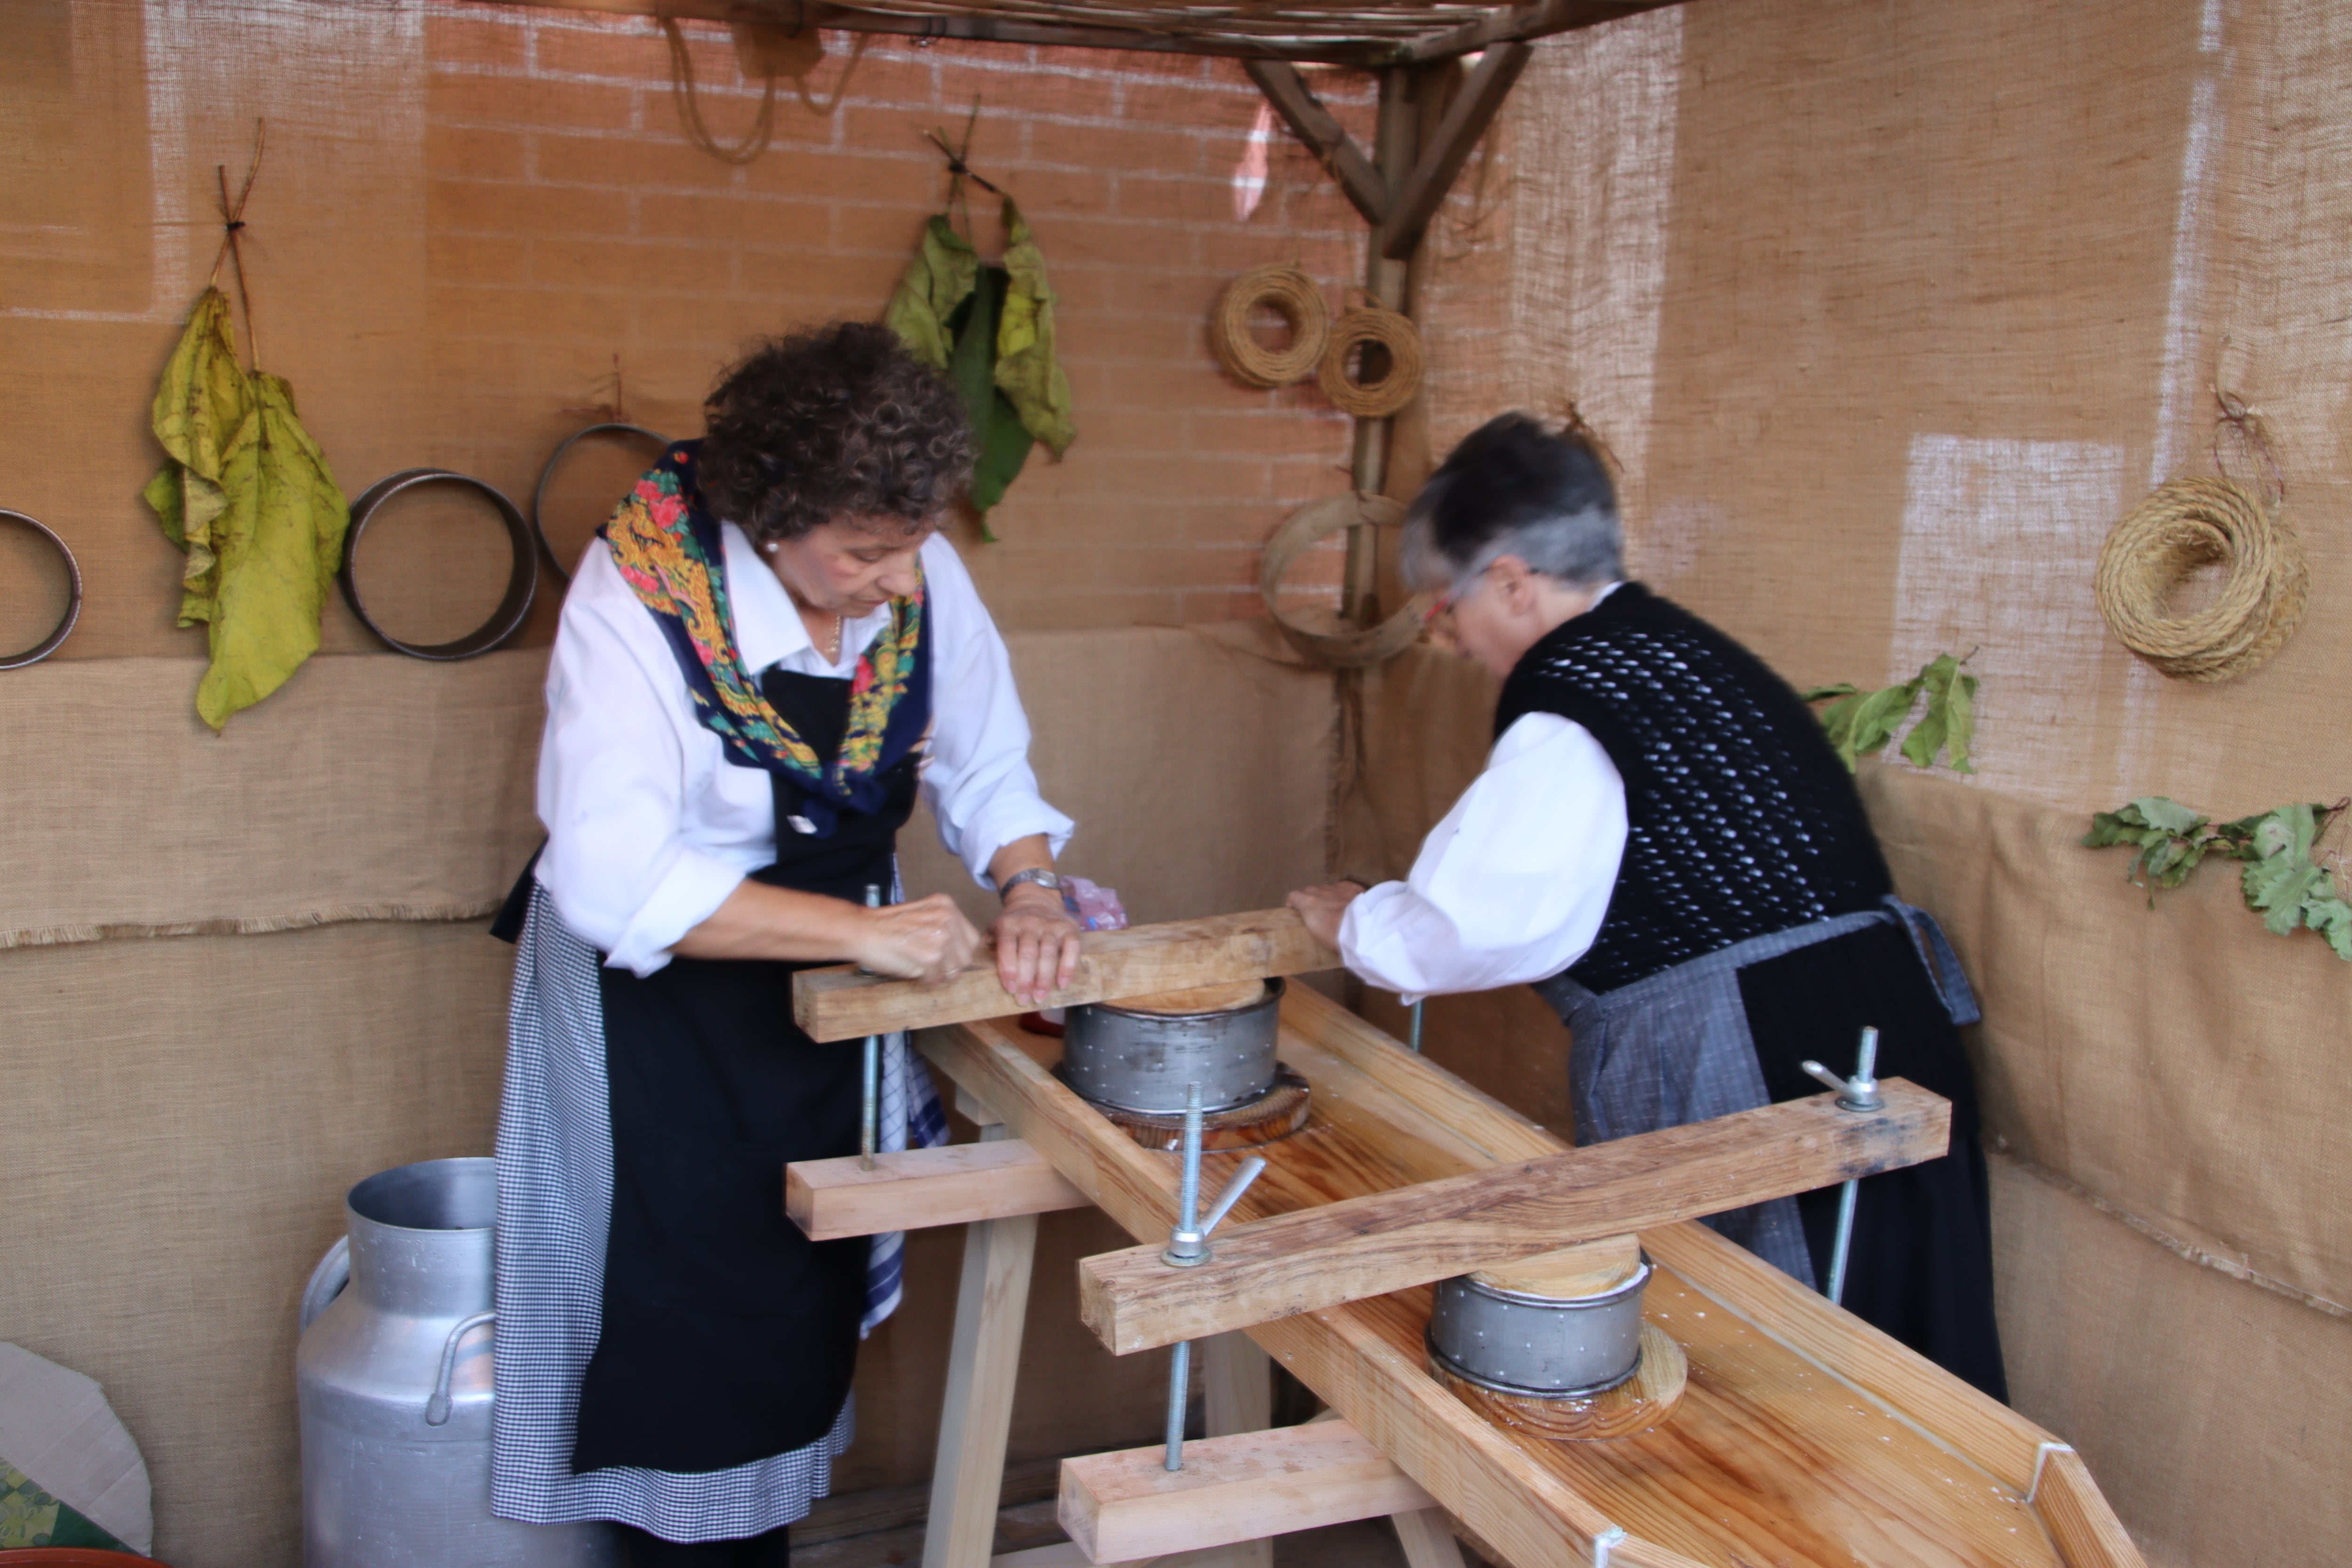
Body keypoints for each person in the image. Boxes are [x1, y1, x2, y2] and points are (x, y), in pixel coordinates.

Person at [490, 322, 1083, 1564]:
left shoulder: (911, 560)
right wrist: (867, 932)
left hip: (828, 982)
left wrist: (1030, 887)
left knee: (794, 1275)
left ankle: (759, 1533)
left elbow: (983, 755)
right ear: (772, 516)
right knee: (680, 1305)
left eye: (915, 544)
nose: (898, 580)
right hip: (652, 995)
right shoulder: (640, 590)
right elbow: (610, 876)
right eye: (866, 553)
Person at [1287, 413, 2005, 1399]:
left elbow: (1476, 923)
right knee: (1906, 1381)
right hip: (1877, 1034)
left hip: (1762, 1057)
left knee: (1770, 1387)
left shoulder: (1574, 697)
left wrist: (1356, 923)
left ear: (1508, 579)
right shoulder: (1678, 650)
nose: (1443, 636)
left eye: (1443, 607)